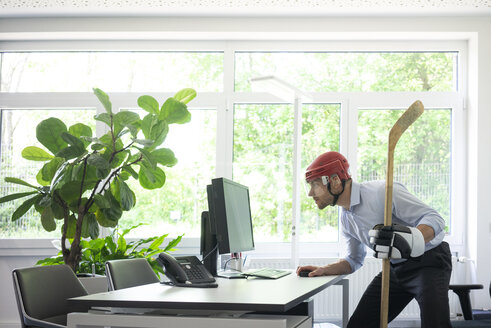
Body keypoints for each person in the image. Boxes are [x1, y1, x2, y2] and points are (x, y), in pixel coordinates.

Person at [296, 151, 452, 328]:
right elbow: (354, 260)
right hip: (394, 269)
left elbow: (435, 219)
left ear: (334, 180)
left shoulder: (381, 192)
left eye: (315, 185)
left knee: (436, 325)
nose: (310, 193)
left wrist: (410, 239)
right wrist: (324, 270)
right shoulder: (346, 219)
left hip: (429, 262)